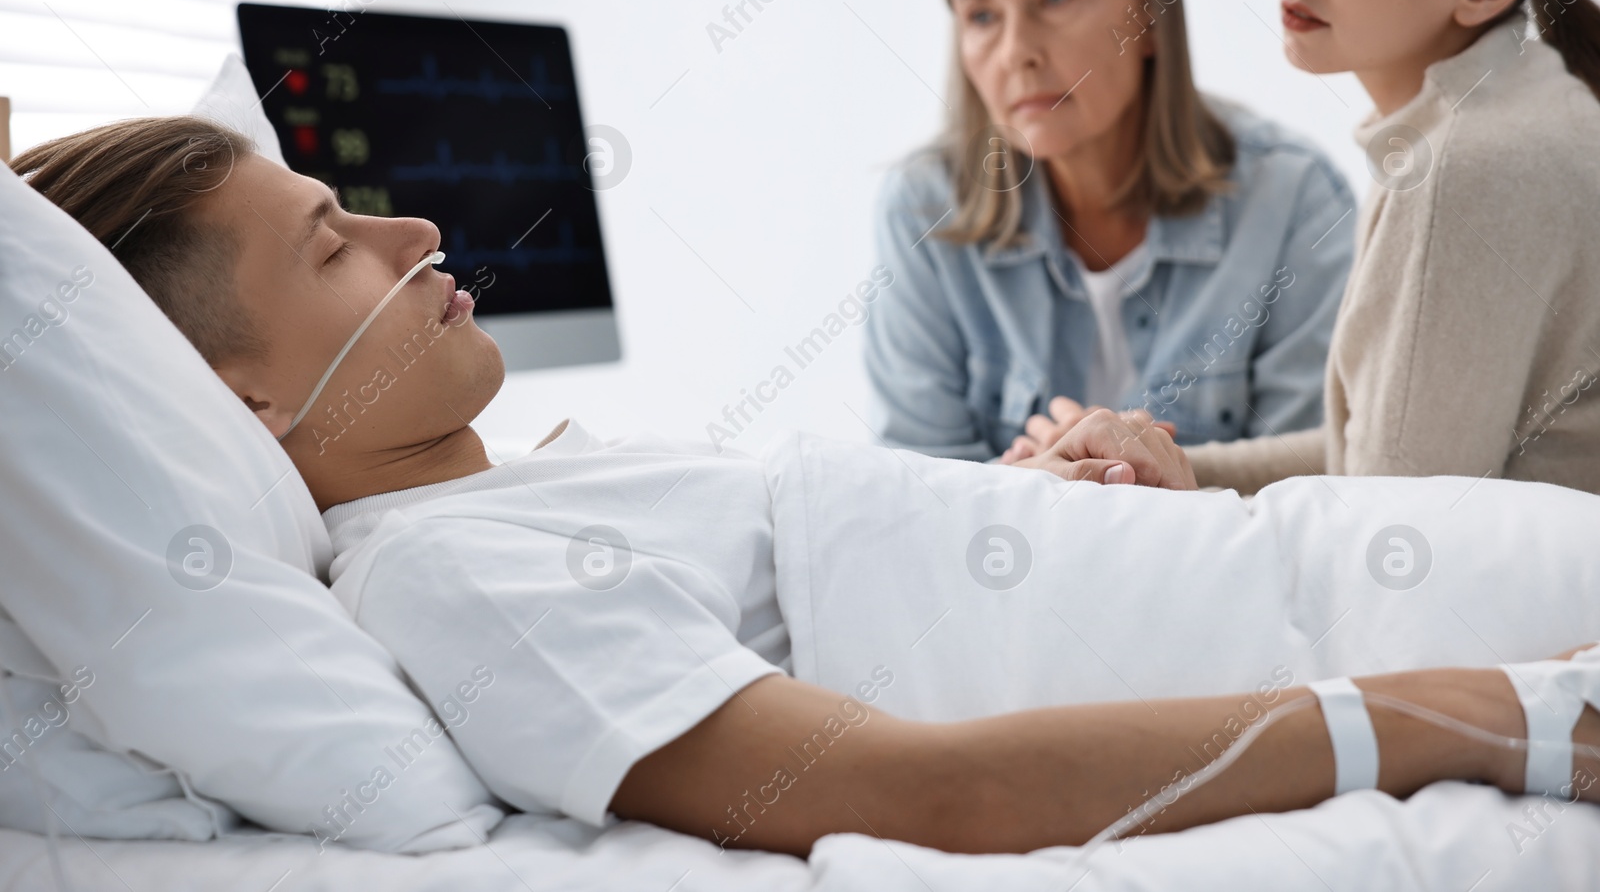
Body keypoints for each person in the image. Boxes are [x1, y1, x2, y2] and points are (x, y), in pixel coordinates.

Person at [16, 125, 1600, 854]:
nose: (413, 231)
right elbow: (931, 794)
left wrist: (1014, 506)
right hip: (1452, 631)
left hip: (1359, 561)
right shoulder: (448, 580)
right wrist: (1480, 716)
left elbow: (852, 592)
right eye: (329, 244)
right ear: (241, 395)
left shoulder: (519, 497)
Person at [1007, 0, 1600, 496]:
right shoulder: (1506, 115)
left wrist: (1166, 491)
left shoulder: (1469, 166)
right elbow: (1372, 451)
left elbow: (1384, 533)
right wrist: (1152, 464)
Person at [866, 0, 1356, 463]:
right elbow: (913, 502)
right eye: (982, 15)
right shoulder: (922, 212)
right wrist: (1040, 487)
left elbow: (1317, 494)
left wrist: (1110, 485)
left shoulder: (1294, 201)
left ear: (1149, 15)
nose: (1017, 51)